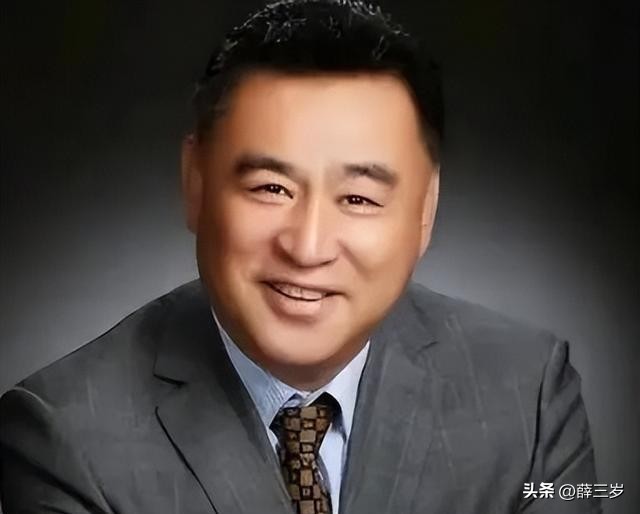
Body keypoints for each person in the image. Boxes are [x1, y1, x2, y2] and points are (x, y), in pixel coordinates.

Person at [0, 1, 600, 513]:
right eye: (271, 188)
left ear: (425, 210)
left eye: (358, 198)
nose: (308, 248)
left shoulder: (528, 393)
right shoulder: (64, 436)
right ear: (196, 183)